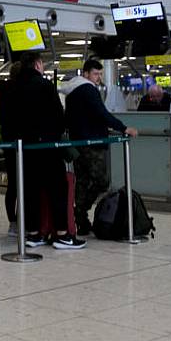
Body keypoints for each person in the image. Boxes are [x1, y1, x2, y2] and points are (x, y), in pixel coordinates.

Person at [0, 52, 86, 249]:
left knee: (30, 191)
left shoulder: (11, 88)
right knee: (57, 189)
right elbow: (58, 117)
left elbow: (7, 122)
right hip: (47, 148)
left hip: (23, 150)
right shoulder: (44, 86)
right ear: (38, 64)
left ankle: (33, 234)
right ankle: (63, 235)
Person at [61, 59, 138, 235]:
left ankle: (80, 221)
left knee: (82, 181)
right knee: (101, 181)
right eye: (96, 74)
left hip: (77, 142)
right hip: (92, 143)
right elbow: (101, 113)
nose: (99, 77)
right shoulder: (88, 89)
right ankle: (80, 212)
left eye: (101, 74)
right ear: (86, 74)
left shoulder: (72, 91)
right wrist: (123, 127)